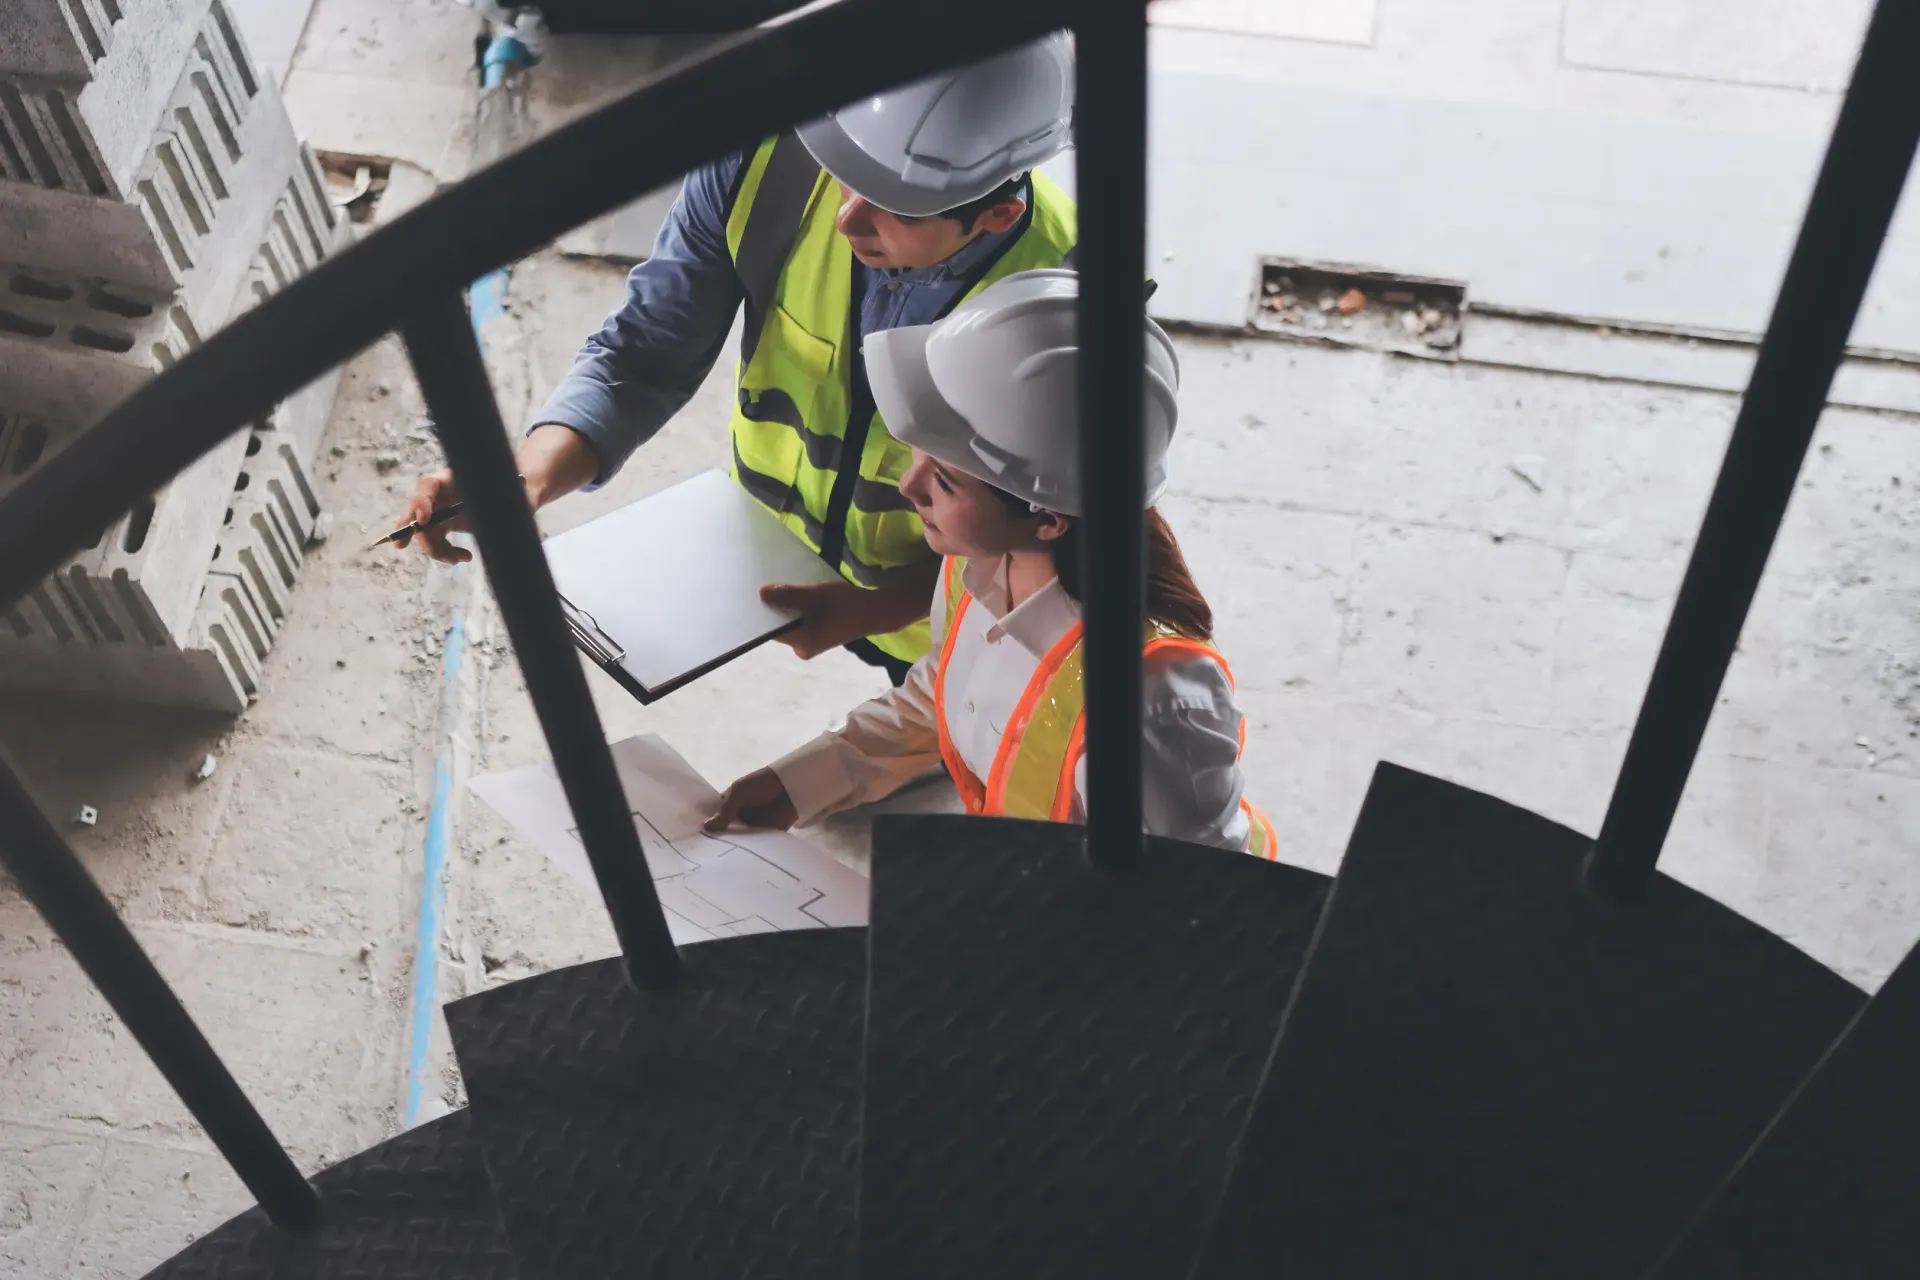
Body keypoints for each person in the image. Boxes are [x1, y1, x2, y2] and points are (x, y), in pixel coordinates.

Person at [393, 35, 1081, 686]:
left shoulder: (1068, 298)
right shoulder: (768, 165)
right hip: (771, 552)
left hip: (950, 615)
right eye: (848, 174)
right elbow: (645, 350)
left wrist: (871, 610)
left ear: (994, 215)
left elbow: (1052, 535)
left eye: (895, 208)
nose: (848, 219)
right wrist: (525, 477)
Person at [704, 270, 1278, 856]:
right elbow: (943, 693)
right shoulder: (976, 562)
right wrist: (798, 783)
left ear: (1049, 518)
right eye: (917, 457)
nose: (908, 486)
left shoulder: (1151, 709)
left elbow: (1189, 902)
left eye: (945, 482)